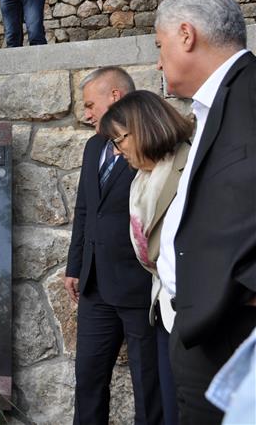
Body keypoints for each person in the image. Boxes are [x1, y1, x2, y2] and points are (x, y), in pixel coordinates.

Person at [154, 0, 256, 423]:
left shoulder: (250, 94)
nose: (158, 61)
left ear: (186, 34)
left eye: (160, 45)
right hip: (200, 326)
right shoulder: (211, 106)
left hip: (230, 330)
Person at [64, 66, 163, 425]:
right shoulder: (93, 147)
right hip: (94, 288)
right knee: (88, 380)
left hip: (138, 287)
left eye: (91, 104)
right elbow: (85, 209)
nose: (86, 114)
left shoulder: (151, 142)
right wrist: (75, 266)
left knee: (148, 385)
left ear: (115, 97)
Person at [98, 90, 194, 425]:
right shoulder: (142, 180)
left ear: (141, 129)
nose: (117, 149)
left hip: (197, 314)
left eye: (119, 140)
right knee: (169, 409)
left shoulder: (189, 166)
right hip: (165, 311)